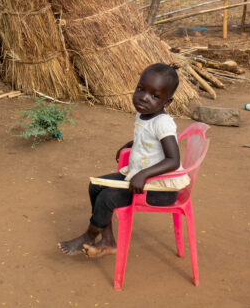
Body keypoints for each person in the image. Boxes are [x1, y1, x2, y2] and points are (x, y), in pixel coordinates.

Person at [58, 63, 190, 258]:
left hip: (160, 190)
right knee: (95, 187)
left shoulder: (162, 123)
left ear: (167, 102)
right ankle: (108, 240)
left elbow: (173, 159)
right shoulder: (144, 113)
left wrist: (144, 174)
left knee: (106, 198)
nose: (144, 97)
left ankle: (88, 236)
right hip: (142, 179)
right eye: (140, 89)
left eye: (154, 96)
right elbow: (148, 140)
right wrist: (130, 144)